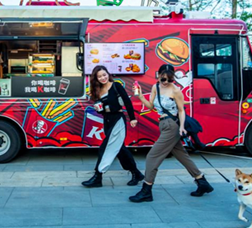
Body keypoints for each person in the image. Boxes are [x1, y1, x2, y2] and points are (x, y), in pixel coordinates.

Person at [129, 64, 214, 203]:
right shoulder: (155, 87)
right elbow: (151, 107)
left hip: (172, 126)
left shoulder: (176, 91)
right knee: (181, 155)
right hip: (163, 124)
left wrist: (181, 127)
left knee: (152, 156)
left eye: (170, 79)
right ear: (159, 76)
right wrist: (139, 96)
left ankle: (146, 190)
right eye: (163, 79)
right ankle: (202, 182)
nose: (166, 82)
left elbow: (181, 110)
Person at [82, 66, 144, 188]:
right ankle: (136, 173)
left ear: (108, 74)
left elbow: (127, 102)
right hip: (107, 121)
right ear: (96, 78)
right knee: (120, 150)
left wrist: (132, 118)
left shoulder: (116, 86)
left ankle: (98, 176)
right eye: (99, 76)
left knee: (105, 148)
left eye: (104, 75)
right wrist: (98, 108)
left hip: (118, 120)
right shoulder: (98, 90)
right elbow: (103, 109)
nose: (103, 78)